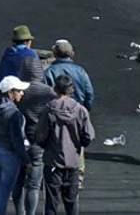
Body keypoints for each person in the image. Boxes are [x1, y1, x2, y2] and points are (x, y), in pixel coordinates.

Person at [34, 75, 95, 215]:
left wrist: (47, 146)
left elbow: (40, 136)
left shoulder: (49, 109)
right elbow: (88, 136)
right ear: (71, 90)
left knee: (51, 202)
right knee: (71, 201)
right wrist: (78, 146)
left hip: (53, 161)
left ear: (55, 89)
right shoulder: (80, 110)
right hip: (72, 162)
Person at [0, 76, 30, 215]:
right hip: (10, 157)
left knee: (0, 192)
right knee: (4, 193)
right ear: (11, 92)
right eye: (19, 91)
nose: (22, 93)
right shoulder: (14, 113)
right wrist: (26, 160)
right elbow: (17, 140)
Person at [42, 40, 94, 111]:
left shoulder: (49, 72)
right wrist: (85, 110)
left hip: (56, 113)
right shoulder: (81, 71)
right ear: (72, 54)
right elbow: (89, 93)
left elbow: (45, 95)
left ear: (54, 54)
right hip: (77, 111)